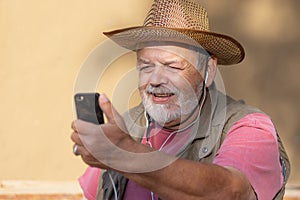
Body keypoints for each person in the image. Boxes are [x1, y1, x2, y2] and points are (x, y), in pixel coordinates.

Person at [71, 0, 290, 199]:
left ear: (209, 70)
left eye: (172, 66)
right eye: (146, 66)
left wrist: (123, 153)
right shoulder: (126, 127)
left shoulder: (248, 126)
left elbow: (230, 193)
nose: (155, 79)